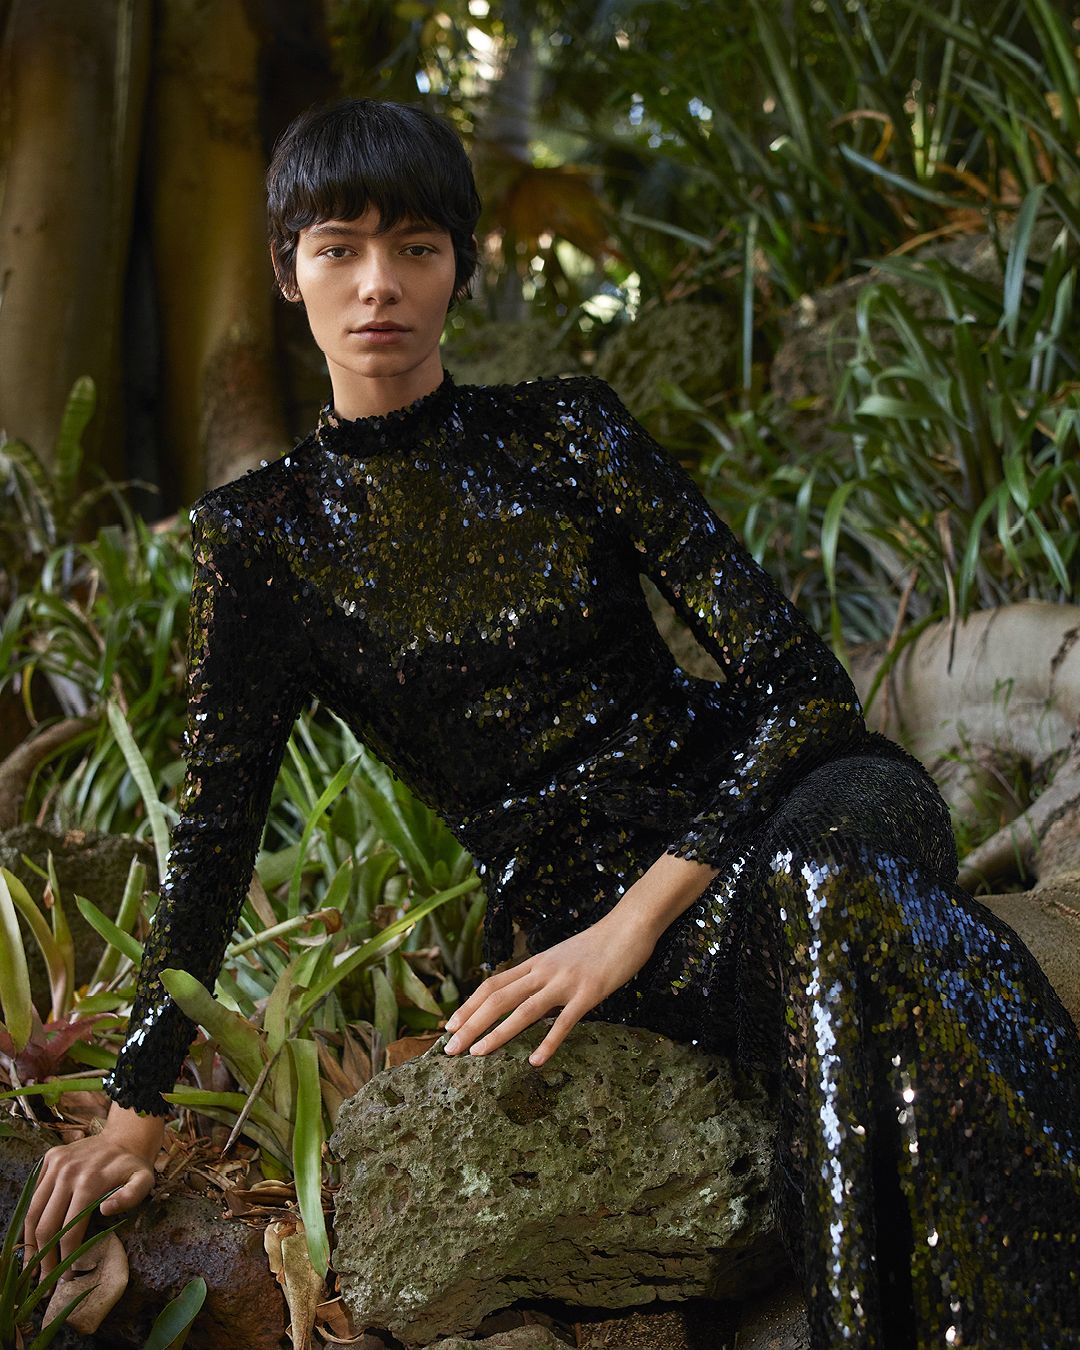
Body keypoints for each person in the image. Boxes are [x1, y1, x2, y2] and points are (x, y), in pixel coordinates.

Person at [24, 96, 1080, 1347]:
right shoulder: (261, 541)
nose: (379, 284)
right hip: (602, 907)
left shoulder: (570, 430)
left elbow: (802, 684)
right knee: (843, 920)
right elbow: (214, 838)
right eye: (339, 248)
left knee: (826, 876)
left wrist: (627, 930)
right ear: (285, 271)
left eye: (417, 247)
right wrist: (135, 1109)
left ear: (461, 269)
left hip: (800, 796)